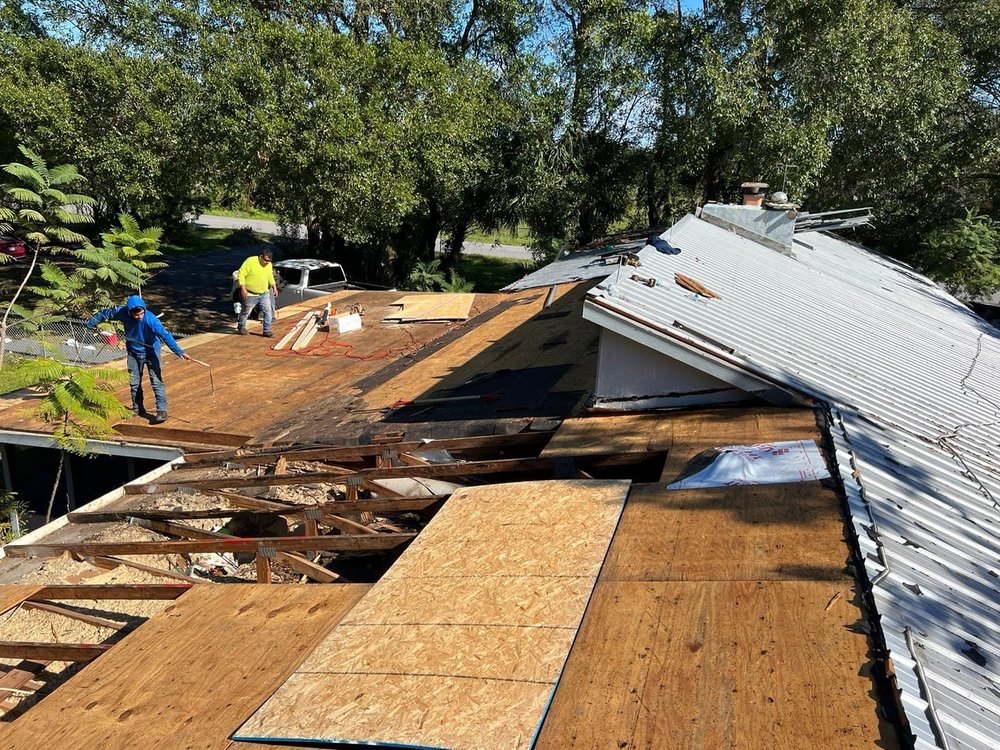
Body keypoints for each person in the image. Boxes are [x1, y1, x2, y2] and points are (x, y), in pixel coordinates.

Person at [86, 295, 191, 424]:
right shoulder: (121, 312)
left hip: (152, 352)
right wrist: (92, 322)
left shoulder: (151, 320)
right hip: (134, 353)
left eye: (141, 313)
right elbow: (107, 312)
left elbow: (165, 335)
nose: (139, 317)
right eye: (136, 315)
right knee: (134, 382)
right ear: (129, 312)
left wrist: (179, 351)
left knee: (156, 381)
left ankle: (161, 411)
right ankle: (137, 408)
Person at [236, 248, 278, 337]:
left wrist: (274, 287)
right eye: (266, 260)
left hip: (264, 293)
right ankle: (241, 326)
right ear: (260, 257)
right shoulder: (250, 261)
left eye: (269, 261)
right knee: (246, 312)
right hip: (250, 294)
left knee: (268, 311)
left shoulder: (269, 264)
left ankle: (267, 330)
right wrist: (243, 288)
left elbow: (270, 276)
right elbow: (241, 274)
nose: (267, 262)